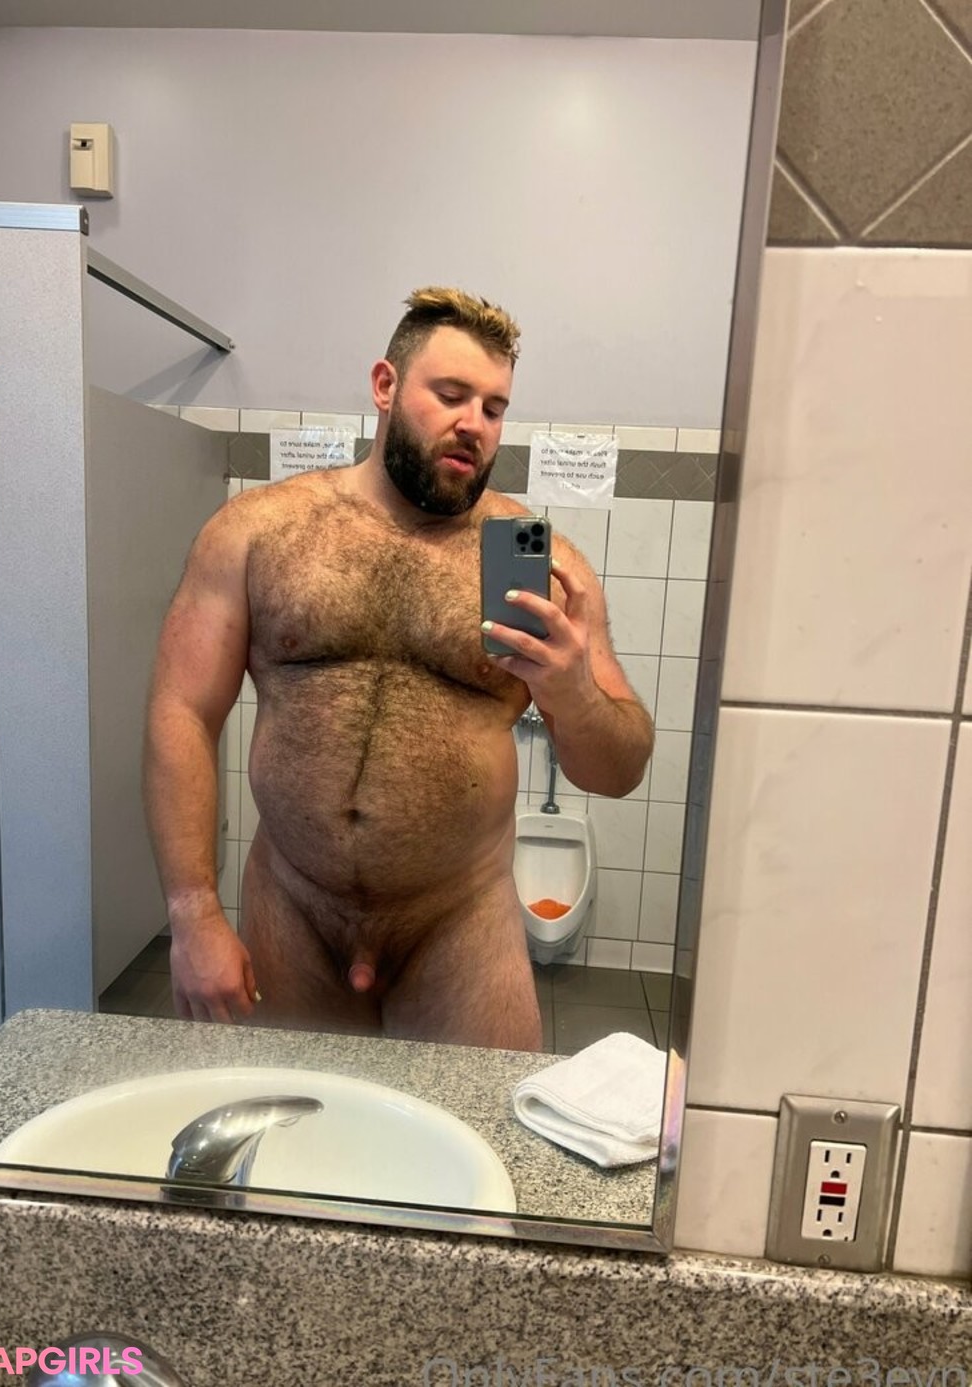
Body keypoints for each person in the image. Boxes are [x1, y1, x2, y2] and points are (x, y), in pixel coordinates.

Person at [143, 286, 654, 1052]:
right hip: (292, 912)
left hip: (459, 927)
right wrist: (193, 912)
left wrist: (572, 690)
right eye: (451, 395)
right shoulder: (258, 532)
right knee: (298, 1123)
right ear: (385, 385)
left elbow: (620, 768)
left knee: (475, 1127)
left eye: (494, 407)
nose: (474, 423)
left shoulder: (547, 567)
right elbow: (182, 710)